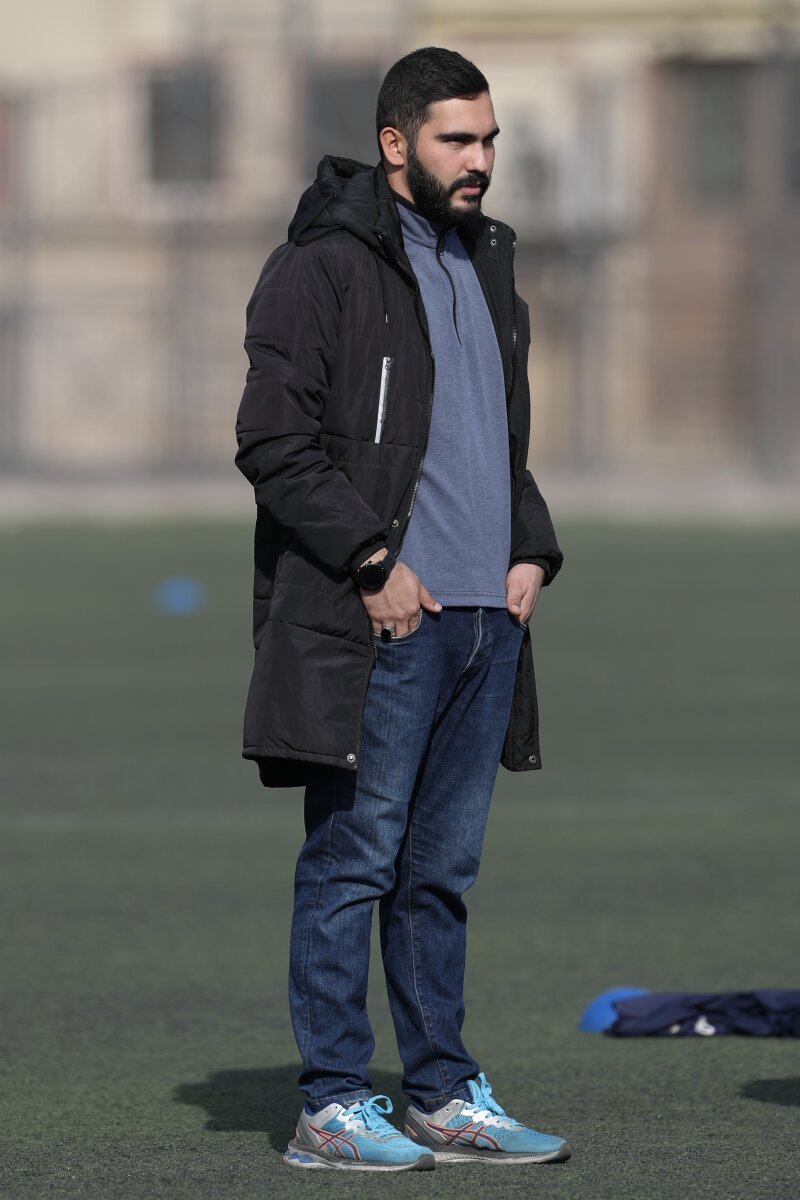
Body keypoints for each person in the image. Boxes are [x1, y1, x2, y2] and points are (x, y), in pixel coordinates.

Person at [235, 46, 569, 1172]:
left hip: (487, 619)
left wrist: (530, 549)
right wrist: (374, 561)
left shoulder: (486, 257)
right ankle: (332, 1102)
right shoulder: (321, 265)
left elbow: (493, 437)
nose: (479, 161)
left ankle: (441, 1094)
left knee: (439, 875)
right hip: (384, 617)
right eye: (455, 140)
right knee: (352, 863)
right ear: (394, 143)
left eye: (488, 140)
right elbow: (272, 441)